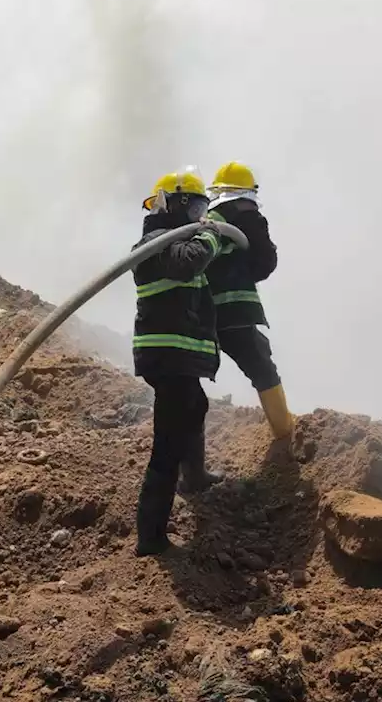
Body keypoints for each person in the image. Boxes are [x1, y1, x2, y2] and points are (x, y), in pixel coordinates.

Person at [131, 167, 227, 556]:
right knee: (167, 446)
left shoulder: (173, 240)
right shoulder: (156, 241)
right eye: (196, 208)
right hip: (167, 356)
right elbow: (189, 262)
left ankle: (196, 477)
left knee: (196, 406)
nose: (200, 217)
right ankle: (150, 539)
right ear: (173, 204)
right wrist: (210, 233)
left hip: (177, 357)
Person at [205, 161, 295, 440]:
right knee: (261, 364)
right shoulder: (247, 215)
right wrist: (244, 270)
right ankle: (285, 433)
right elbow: (266, 262)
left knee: (189, 378)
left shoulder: (203, 219)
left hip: (200, 312)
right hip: (235, 310)